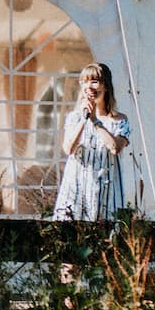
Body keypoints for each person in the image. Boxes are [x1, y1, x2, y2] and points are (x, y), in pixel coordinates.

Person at [52, 62, 132, 220]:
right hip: (76, 191)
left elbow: (115, 147)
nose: (89, 87)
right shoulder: (74, 118)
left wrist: (95, 121)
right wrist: (84, 119)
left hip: (107, 193)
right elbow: (68, 149)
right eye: (85, 82)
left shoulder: (120, 120)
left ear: (106, 86)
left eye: (94, 81)